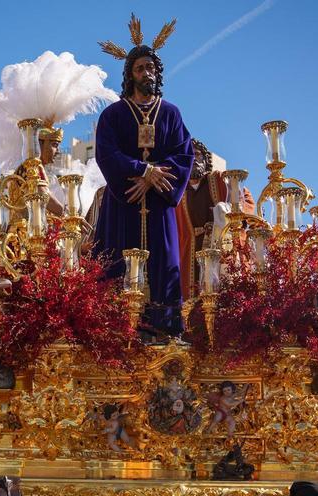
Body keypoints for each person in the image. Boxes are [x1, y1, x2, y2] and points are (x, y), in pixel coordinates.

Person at [93, 22, 193, 336]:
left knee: (164, 265)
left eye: (150, 68)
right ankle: (117, 332)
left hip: (160, 204)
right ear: (130, 74)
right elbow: (106, 154)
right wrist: (141, 169)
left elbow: (184, 154)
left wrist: (151, 177)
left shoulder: (171, 114)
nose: (146, 73)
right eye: (139, 68)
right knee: (117, 263)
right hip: (124, 205)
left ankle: (164, 331)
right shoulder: (113, 114)